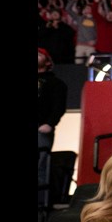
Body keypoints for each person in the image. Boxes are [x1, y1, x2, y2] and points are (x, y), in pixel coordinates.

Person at [39, 47, 68, 203]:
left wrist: (50, 123)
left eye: (40, 54)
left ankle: (41, 205)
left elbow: (59, 107)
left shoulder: (56, 83)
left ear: (48, 61)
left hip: (41, 131)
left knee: (41, 168)